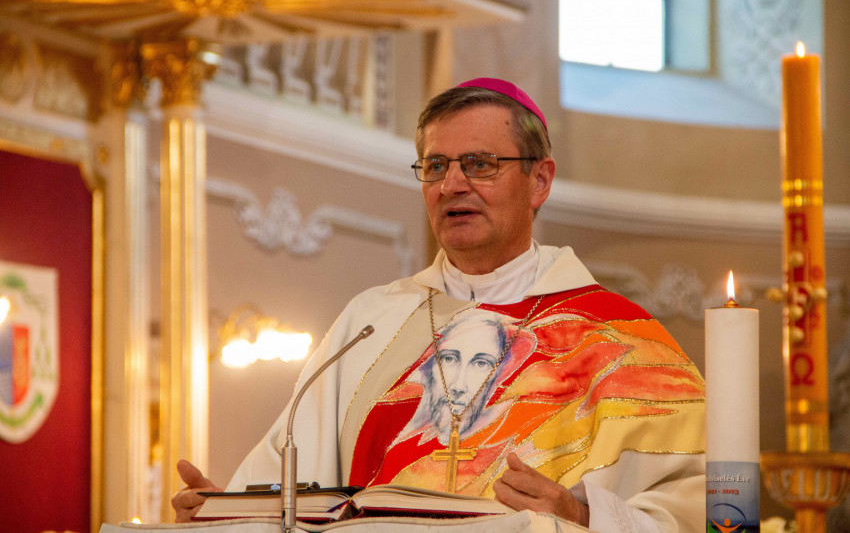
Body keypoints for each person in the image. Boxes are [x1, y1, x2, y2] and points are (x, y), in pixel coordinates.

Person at [172, 77, 706, 532]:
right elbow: (294, 496)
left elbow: (696, 509)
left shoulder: (621, 339)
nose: (452, 184)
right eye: (435, 166)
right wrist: (226, 516)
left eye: (479, 164)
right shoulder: (370, 322)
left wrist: (582, 516)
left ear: (540, 180)